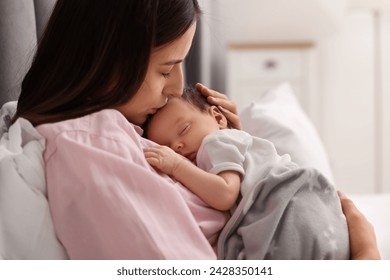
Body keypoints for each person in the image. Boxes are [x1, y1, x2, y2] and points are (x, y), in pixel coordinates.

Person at [11, 0, 379, 260]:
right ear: (106, 60)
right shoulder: (92, 145)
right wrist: (366, 257)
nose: (175, 88)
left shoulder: (121, 134)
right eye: (165, 69)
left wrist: (232, 155)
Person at [144, 88, 351, 259]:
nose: (177, 146)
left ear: (218, 117)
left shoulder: (216, 141)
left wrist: (175, 165)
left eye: (184, 129)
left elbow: (225, 193)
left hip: (290, 202)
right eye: (167, 147)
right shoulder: (231, 147)